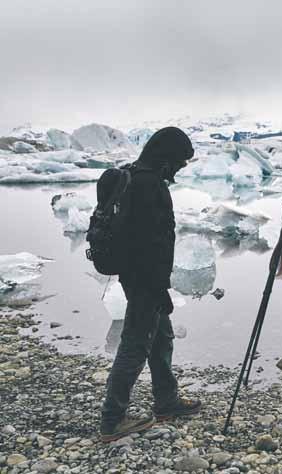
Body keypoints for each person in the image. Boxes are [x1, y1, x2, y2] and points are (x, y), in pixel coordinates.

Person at [100, 127, 201, 442]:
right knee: (135, 344)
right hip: (145, 279)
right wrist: (158, 289)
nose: (181, 169)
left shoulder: (138, 177)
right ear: (166, 156)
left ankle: (166, 400)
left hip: (139, 276)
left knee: (160, 335)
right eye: (180, 162)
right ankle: (112, 421)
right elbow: (149, 245)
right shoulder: (148, 185)